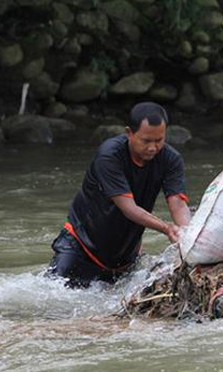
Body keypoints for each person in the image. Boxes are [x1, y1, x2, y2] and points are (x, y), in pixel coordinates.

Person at [47, 102, 191, 287]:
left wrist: (188, 234)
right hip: (80, 248)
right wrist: (166, 228)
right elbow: (128, 208)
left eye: (159, 140)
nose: (153, 148)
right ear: (129, 133)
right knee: (53, 302)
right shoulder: (109, 156)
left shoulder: (171, 159)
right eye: (146, 141)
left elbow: (178, 203)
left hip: (124, 258)